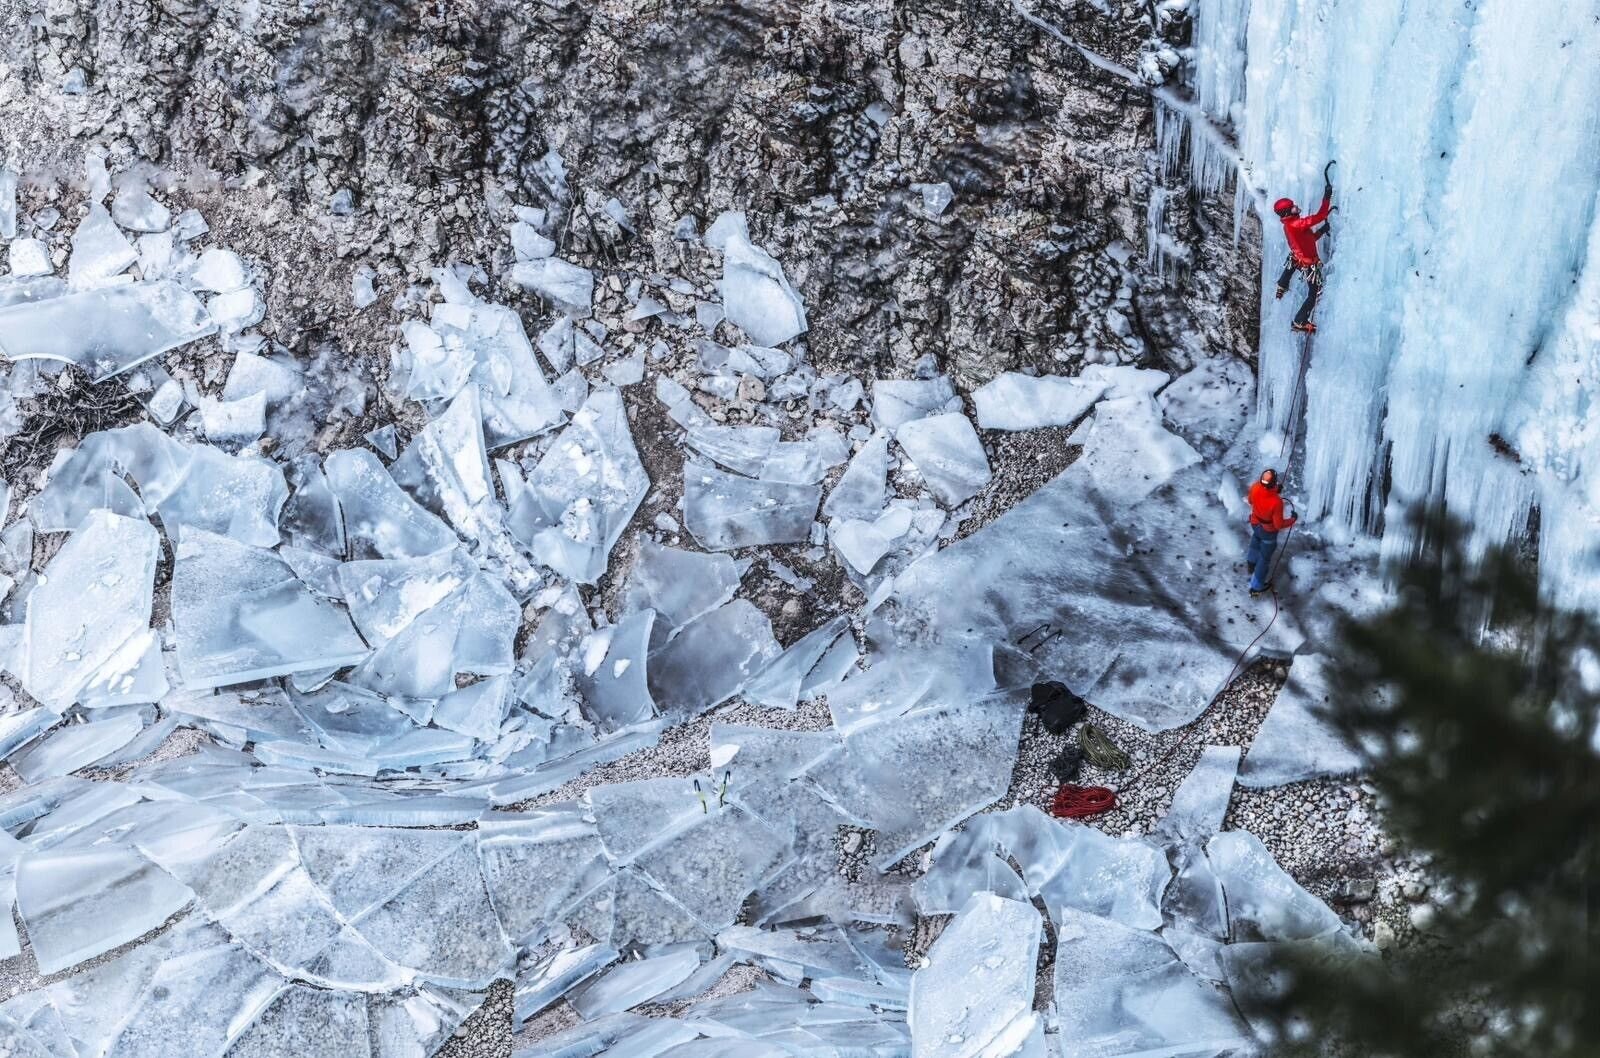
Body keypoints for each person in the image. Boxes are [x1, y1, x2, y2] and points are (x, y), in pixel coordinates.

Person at [1273, 164, 1335, 334]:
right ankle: (1299, 321)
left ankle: (1282, 285)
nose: (1296, 206)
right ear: (1287, 212)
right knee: (1314, 293)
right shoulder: (1296, 224)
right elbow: (1320, 216)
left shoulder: (1290, 225)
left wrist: (1322, 231)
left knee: (1293, 262)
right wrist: (1327, 197)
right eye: (1292, 206)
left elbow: (1309, 240)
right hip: (1308, 264)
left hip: (1299, 259)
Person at [1246, 468, 1296, 595]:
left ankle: (1251, 564)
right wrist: (1292, 519)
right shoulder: (1276, 502)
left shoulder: (1255, 487)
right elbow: (1278, 525)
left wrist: (1274, 491)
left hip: (1255, 523)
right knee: (1264, 559)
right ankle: (1256, 588)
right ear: (1273, 483)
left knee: (1256, 539)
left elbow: (1251, 500)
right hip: (1268, 532)